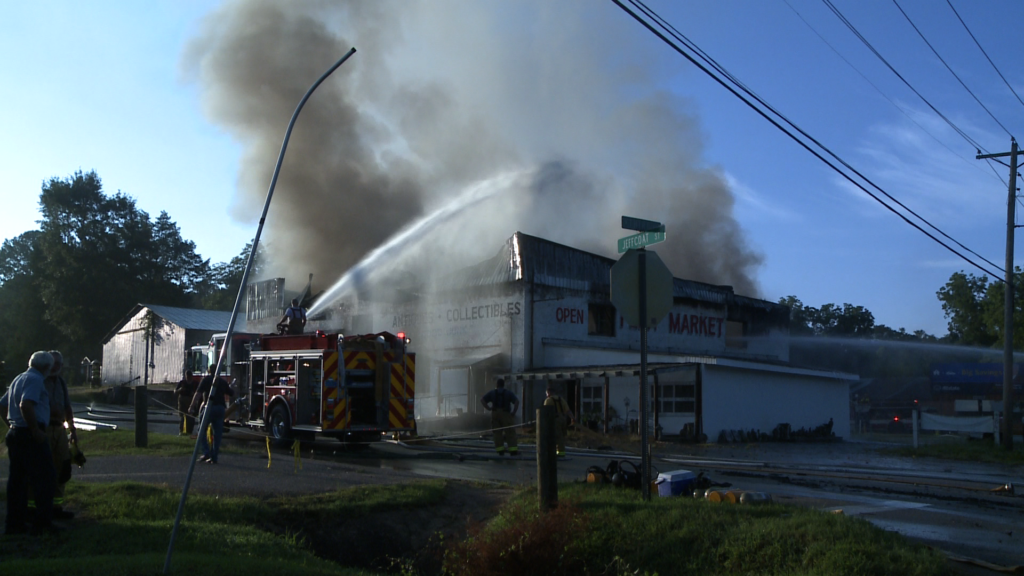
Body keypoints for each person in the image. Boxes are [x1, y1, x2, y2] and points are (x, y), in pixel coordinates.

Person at [1, 351, 57, 535]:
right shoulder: (36, 380)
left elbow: (2, 405)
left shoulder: (19, 378)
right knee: (45, 477)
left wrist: (12, 424)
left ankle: (14, 522)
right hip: (30, 434)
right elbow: (26, 404)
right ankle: (42, 522)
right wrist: (34, 430)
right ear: (46, 367)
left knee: (18, 480)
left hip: (16, 432)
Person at [42, 351, 76, 520]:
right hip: (44, 428)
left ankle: (56, 507)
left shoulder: (61, 383)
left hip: (60, 429)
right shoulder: (40, 381)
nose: (55, 367)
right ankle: (36, 508)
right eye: (53, 363)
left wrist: (72, 429)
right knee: (42, 468)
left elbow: (67, 407)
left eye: (58, 364)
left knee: (62, 468)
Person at [195, 365, 233, 464]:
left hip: (209, 407)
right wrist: (229, 387)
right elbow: (231, 393)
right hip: (220, 408)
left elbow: (198, 393)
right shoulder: (222, 382)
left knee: (201, 430)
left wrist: (192, 405)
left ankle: (206, 451)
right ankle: (214, 456)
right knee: (217, 434)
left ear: (209, 371)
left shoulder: (206, 380)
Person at [480, 377, 519, 457]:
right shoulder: (508, 393)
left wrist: (488, 408)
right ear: (503, 385)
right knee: (510, 432)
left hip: (495, 413)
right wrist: (513, 412)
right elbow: (516, 401)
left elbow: (482, 400)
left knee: (497, 433)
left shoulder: (492, 393)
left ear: (497, 385)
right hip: (506, 413)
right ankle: (513, 451)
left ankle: (500, 451)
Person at [544, 385, 575, 457]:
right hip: (563, 419)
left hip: (555, 419)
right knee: (562, 436)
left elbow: (545, 411)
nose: (546, 395)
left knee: (556, 437)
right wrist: (572, 418)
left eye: (546, 394)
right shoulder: (561, 399)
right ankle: (561, 451)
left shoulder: (548, 400)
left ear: (549, 393)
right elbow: (568, 410)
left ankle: (559, 453)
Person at [174, 371, 197, 436]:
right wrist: (180, 389)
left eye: (189, 376)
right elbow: (175, 391)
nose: (188, 378)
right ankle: (181, 431)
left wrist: (194, 393)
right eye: (187, 376)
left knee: (191, 416)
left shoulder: (195, 383)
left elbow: (198, 391)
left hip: (191, 400)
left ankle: (190, 431)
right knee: (183, 416)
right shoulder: (182, 383)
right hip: (182, 400)